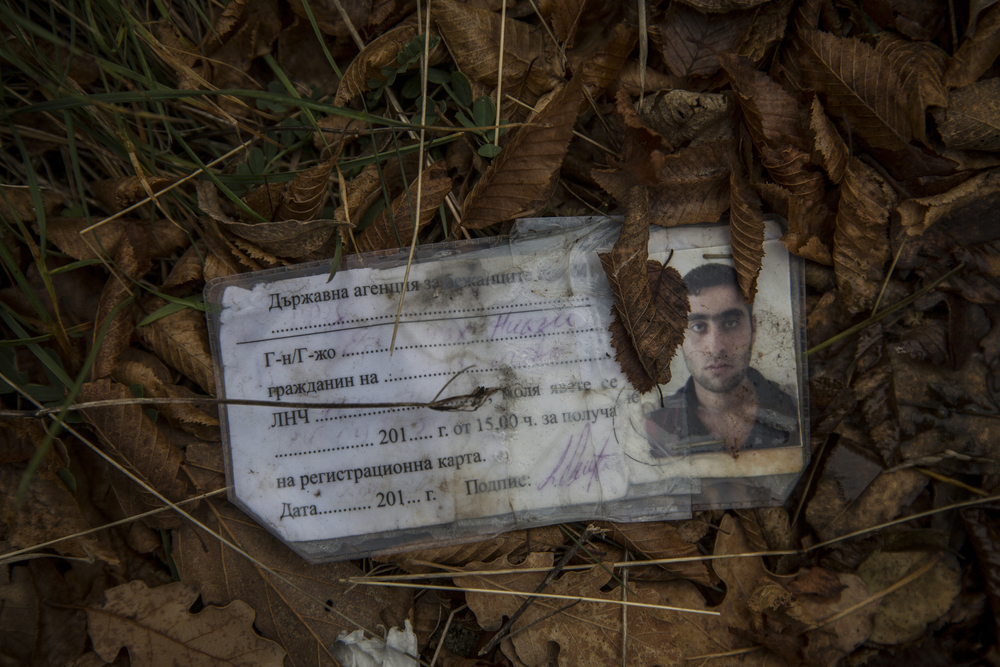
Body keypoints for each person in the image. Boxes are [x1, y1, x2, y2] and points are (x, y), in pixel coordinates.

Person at [645, 263, 798, 457]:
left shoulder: (797, 412)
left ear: (753, 329)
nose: (715, 348)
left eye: (731, 323)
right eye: (698, 327)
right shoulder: (652, 427)